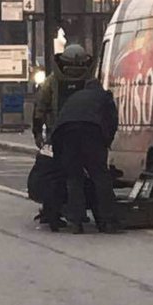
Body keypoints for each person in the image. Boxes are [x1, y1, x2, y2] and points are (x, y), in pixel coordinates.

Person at [31, 44, 96, 228]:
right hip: (85, 136)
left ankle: (53, 210)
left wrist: (38, 133)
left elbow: (39, 108)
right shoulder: (90, 81)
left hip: (57, 135)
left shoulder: (52, 81)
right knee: (82, 175)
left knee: (54, 175)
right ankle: (78, 211)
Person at [51, 79, 120, 234]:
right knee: (100, 177)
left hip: (67, 134)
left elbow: (60, 122)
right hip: (92, 132)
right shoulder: (104, 97)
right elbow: (112, 121)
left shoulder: (75, 97)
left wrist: (59, 155)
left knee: (74, 178)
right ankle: (108, 220)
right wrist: (106, 142)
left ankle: (76, 221)